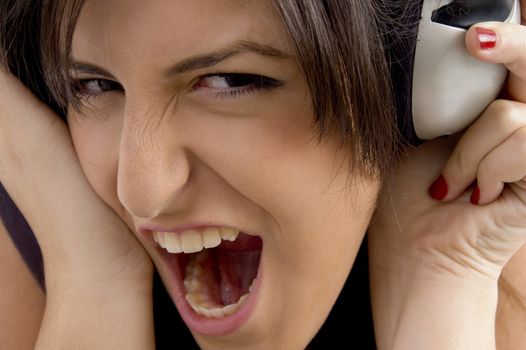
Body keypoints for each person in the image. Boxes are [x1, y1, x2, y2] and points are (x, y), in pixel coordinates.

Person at [0, 1, 525, 349]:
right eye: (94, 85)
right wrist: (93, 282)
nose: (142, 193)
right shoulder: (33, 234)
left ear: (417, 78)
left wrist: (442, 280)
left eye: (231, 79)